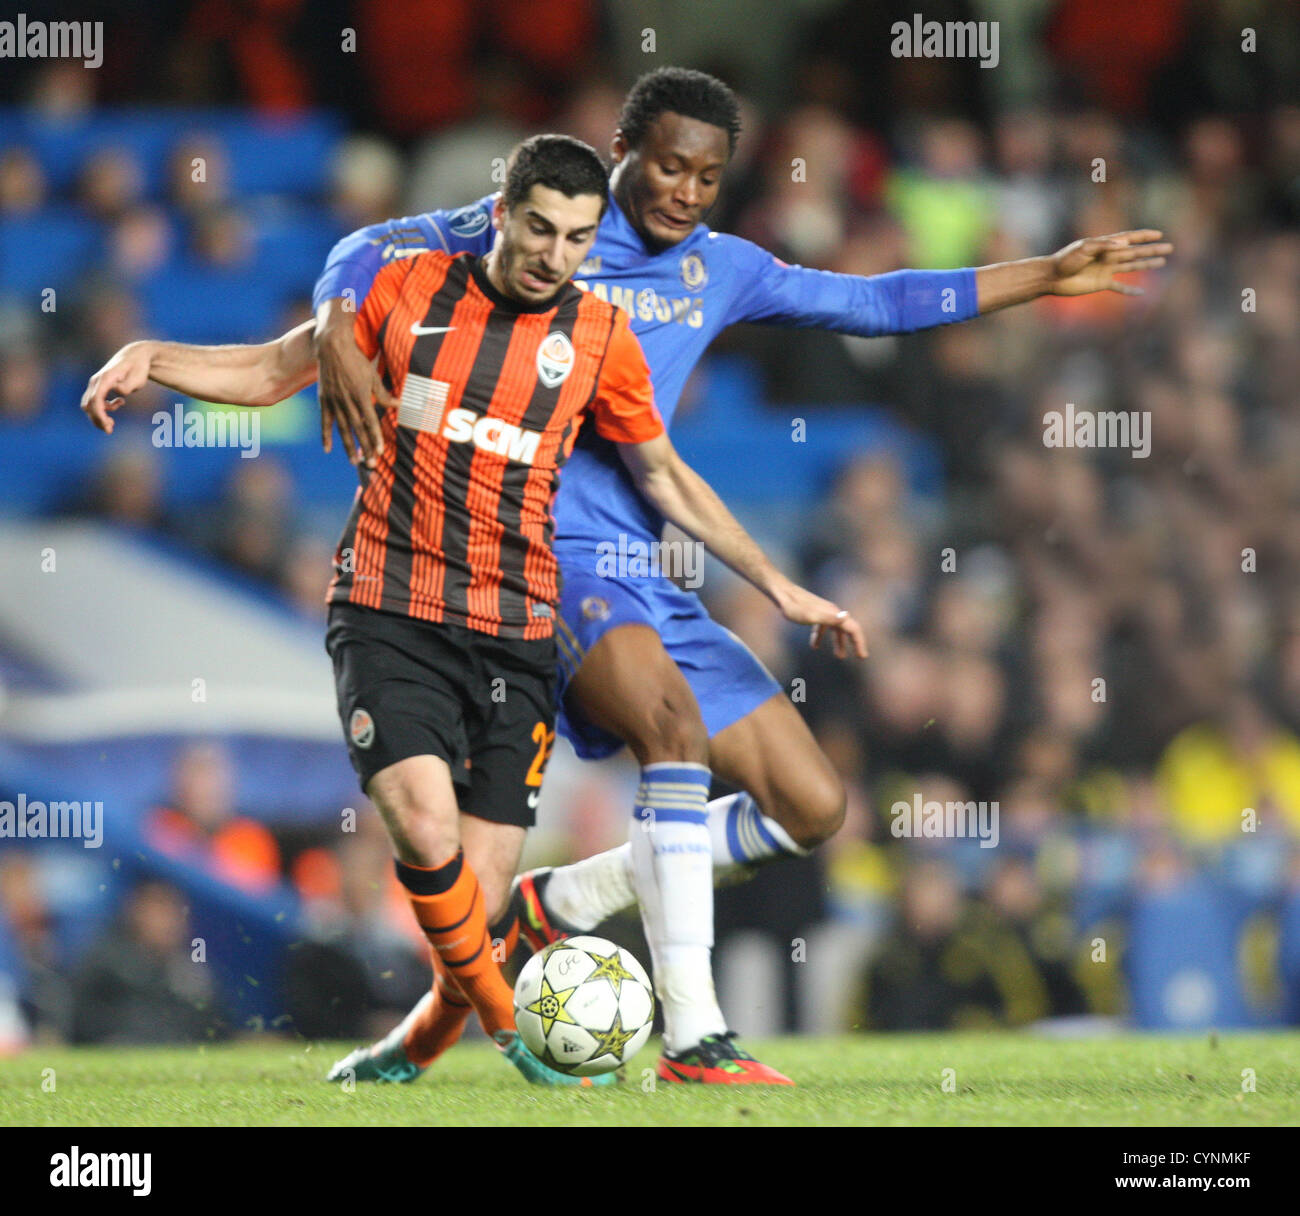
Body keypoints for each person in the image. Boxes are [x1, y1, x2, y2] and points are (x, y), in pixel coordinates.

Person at [83, 68, 1168, 1085]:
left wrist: (1044, 276)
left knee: (811, 802)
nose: (686, 193)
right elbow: (371, 250)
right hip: (531, 557)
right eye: (667, 167)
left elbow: (876, 302)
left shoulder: (722, 268)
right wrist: (333, 329)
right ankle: (695, 1032)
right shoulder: (548, 234)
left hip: (643, 566)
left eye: (706, 176)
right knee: (671, 734)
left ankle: (568, 897)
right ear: (618, 155)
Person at [81, 132, 863, 1086]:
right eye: (538, 228)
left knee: (485, 898)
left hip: (516, 630)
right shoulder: (407, 292)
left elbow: (665, 474)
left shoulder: (599, 341)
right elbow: (269, 371)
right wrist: (148, 354)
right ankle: (522, 1039)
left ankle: (408, 1049)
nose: (554, 254)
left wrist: (774, 582)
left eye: (577, 238)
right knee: (422, 826)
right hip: (391, 608)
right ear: (500, 216)